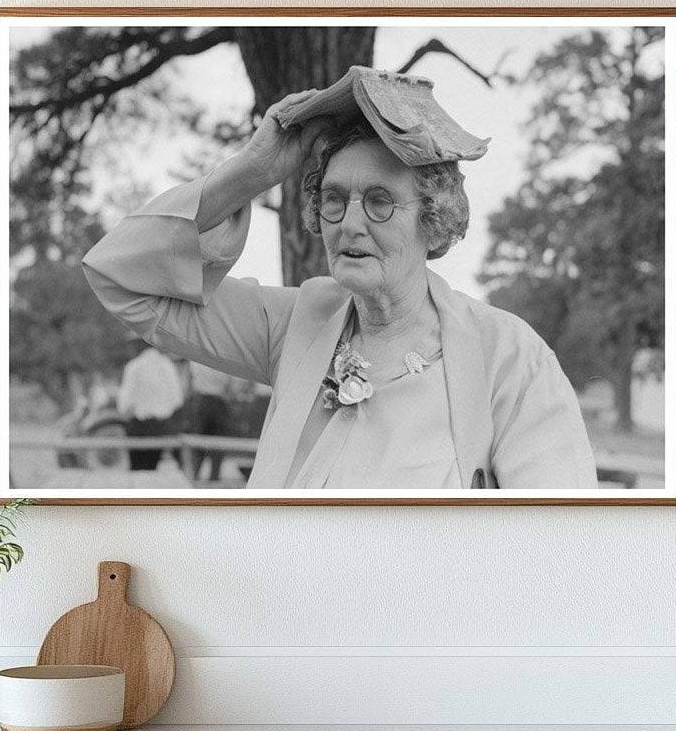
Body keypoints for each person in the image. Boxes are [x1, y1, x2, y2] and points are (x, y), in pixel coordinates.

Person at [83, 72, 597, 489]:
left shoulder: (509, 357)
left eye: (379, 201)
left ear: (433, 219)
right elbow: (120, 278)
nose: (350, 223)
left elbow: (554, 541)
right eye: (334, 199)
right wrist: (253, 172)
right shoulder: (294, 324)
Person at [116, 341, 185, 471]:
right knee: (152, 468)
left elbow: (125, 403)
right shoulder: (167, 365)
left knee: (137, 470)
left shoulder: (134, 366)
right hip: (160, 426)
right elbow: (177, 399)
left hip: (139, 425)